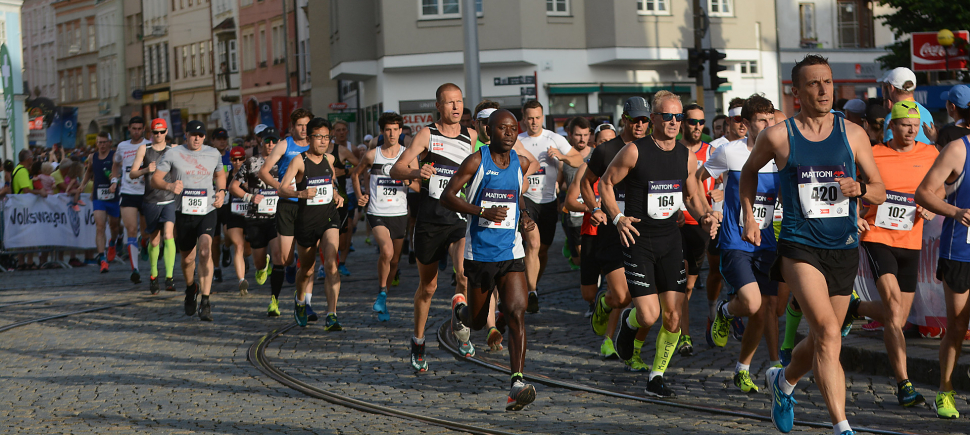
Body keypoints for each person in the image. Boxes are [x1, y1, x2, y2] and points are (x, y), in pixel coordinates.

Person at [742, 54, 885, 435]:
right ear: (797, 91)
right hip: (798, 246)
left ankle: (783, 381)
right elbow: (748, 172)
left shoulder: (852, 134)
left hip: (843, 247)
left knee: (828, 335)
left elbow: (881, 188)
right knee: (825, 328)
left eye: (827, 82)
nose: (823, 90)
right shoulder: (777, 135)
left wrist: (862, 189)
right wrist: (748, 214)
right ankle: (842, 426)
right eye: (813, 83)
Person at [601, 91, 719, 397]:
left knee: (673, 315)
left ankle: (656, 376)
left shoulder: (686, 156)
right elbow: (605, 183)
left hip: (670, 241)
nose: (674, 122)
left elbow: (693, 197)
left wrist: (706, 216)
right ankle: (629, 320)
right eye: (667, 116)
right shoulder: (634, 151)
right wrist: (616, 218)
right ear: (654, 118)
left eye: (678, 117)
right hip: (638, 241)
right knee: (649, 315)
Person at [442, 108, 537, 411]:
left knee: (516, 312)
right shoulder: (476, 160)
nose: (509, 134)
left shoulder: (519, 163)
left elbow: (516, 195)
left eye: (513, 129)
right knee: (479, 322)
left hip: (511, 251)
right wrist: (482, 212)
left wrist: (524, 216)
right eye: (502, 129)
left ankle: (517, 382)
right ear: (489, 131)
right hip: (480, 252)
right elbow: (448, 195)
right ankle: (461, 312)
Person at [848, 101, 939, 407]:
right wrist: (855, 217)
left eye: (915, 124)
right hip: (877, 236)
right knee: (892, 305)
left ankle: (856, 309)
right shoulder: (873, 153)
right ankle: (904, 383)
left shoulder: (930, 154)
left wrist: (931, 203)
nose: (911, 129)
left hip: (911, 242)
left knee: (897, 318)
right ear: (891, 126)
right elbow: (848, 184)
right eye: (904, 124)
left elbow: (941, 187)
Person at [390, 83, 478, 371]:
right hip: (430, 220)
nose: (456, 107)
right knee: (428, 288)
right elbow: (396, 168)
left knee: (464, 271)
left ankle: (459, 324)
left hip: (458, 219)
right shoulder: (428, 134)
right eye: (449, 103)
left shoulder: (472, 136)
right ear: (438, 106)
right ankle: (418, 340)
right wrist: (418, 170)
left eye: (459, 102)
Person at [702, 95, 782, 393]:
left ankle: (742, 369)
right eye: (762, 120)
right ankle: (723, 311)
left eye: (771, 120)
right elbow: (697, 180)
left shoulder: (779, 154)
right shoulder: (729, 152)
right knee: (751, 302)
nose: (768, 125)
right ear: (746, 124)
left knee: (764, 312)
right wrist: (707, 211)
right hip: (735, 240)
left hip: (766, 242)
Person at [584, 97, 651, 368]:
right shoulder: (605, 150)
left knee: (641, 300)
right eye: (634, 119)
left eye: (644, 119)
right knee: (621, 297)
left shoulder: (652, 148)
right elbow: (586, 184)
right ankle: (605, 301)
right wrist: (594, 209)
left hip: (642, 232)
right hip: (612, 230)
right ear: (624, 119)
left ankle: (626, 349)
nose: (639, 124)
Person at [915, 113, 970, 420]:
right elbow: (923, 192)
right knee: (959, 325)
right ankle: (945, 389)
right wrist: (955, 211)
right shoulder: (958, 150)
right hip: (960, 251)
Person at [153, 120, 228, 322]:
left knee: (205, 250)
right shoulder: (173, 153)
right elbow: (156, 179)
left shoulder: (213, 153)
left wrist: (221, 191)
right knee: (187, 259)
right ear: (185, 135)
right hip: (183, 211)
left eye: (201, 135)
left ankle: (205, 301)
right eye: (193, 135)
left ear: (205, 137)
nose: (197, 138)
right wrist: (169, 187)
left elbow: (221, 175)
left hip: (207, 209)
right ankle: (190, 288)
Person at [519, 100, 585, 313]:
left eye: (537, 117)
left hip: (547, 201)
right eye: (530, 118)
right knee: (533, 245)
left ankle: (533, 284)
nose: (534, 122)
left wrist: (562, 156)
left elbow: (578, 159)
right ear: (524, 119)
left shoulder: (554, 138)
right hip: (526, 199)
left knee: (543, 250)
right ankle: (530, 291)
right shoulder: (518, 140)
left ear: (542, 117)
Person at [278, 117, 345, 329]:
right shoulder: (299, 161)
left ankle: (332, 314)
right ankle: (300, 301)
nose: (324, 141)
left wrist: (336, 194)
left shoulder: (330, 160)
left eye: (327, 137)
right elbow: (281, 189)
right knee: (306, 270)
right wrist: (301, 193)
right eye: (319, 137)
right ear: (309, 138)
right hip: (306, 221)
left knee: (332, 263)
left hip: (328, 218)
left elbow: (331, 182)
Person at [353, 112, 415, 322]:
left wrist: (408, 181)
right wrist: (361, 195)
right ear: (382, 132)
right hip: (377, 212)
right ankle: (380, 291)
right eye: (388, 130)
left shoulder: (408, 155)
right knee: (386, 252)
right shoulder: (373, 155)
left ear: (400, 131)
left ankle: (384, 298)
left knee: (395, 261)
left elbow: (417, 185)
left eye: (395, 129)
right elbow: (356, 173)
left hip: (399, 213)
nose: (392, 134)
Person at [259, 109, 313, 305]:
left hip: (309, 206)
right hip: (287, 204)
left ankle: (306, 303)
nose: (304, 129)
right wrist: (280, 187)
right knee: (285, 258)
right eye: (300, 125)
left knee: (310, 261)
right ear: (292, 127)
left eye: (307, 125)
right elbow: (264, 172)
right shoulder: (284, 145)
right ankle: (292, 263)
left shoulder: (316, 145)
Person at [231, 127, 286, 316]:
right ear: (261, 141)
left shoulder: (285, 162)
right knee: (259, 262)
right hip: (255, 218)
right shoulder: (251, 163)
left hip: (277, 217)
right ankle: (263, 266)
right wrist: (249, 197)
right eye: (267, 140)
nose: (271, 144)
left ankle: (274, 301)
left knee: (280, 256)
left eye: (274, 141)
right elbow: (233, 187)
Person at [676, 103, 715, 357]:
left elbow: (726, 181)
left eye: (701, 122)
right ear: (682, 123)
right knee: (679, 284)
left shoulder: (712, 152)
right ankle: (682, 335)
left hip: (700, 224)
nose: (697, 127)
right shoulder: (672, 149)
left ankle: (677, 321)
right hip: (674, 225)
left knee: (689, 287)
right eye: (692, 122)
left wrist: (718, 196)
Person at [129, 118, 177, 293]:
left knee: (169, 234)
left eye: (162, 132)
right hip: (151, 200)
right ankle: (154, 274)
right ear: (150, 133)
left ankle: (170, 277)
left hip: (169, 198)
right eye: (155, 132)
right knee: (155, 240)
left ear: (166, 132)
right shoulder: (144, 149)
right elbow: (132, 174)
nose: (158, 135)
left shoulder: (173, 149)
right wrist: (145, 170)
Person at [111, 116, 149, 284]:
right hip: (128, 192)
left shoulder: (149, 145)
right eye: (134, 128)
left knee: (146, 230)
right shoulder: (122, 146)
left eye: (139, 128)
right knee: (131, 229)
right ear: (129, 129)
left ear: (144, 129)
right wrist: (114, 180)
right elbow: (115, 163)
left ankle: (145, 241)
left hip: (146, 192)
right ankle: (135, 269)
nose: (136, 131)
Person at [78, 134, 121, 274]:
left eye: (104, 142)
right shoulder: (92, 157)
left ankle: (113, 242)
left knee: (114, 225)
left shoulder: (115, 156)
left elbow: (121, 172)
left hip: (113, 195)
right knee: (100, 226)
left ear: (109, 143)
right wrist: (82, 185)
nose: (102, 145)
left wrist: (116, 177)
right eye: (99, 143)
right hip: (98, 196)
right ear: (96, 144)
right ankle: (103, 259)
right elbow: (89, 171)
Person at [558, 116, 592, 271]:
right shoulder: (563, 159)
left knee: (591, 255)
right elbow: (558, 184)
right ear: (570, 135)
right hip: (572, 213)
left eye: (585, 135)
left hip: (593, 211)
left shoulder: (596, 154)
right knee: (578, 259)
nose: (582, 138)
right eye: (578, 135)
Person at [881, 67, 935, 145]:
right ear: (914, 86)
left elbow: (890, 150)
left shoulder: (893, 117)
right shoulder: (927, 113)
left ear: (892, 88)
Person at [223, 146, 251, 294]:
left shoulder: (251, 175)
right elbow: (220, 191)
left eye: (240, 159)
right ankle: (241, 281)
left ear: (245, 159)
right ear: (231, 160)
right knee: (238, 245)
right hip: (232, 215)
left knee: (247, 249)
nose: (238, 162)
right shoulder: (227, 175)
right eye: (234, 159)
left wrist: (248, 186)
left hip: (249, 215)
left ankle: (244, 260)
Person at [210, 127, 233, 282]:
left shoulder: (232, 157)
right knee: (215, 239)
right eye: (219, 139)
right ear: (213, 141)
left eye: (224, 139)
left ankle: (226, 249)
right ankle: (216, 268)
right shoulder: (208, 157)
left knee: (230, 234)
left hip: (229, 201)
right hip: (212, 202)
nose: (222, 141)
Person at [933, 84, 970, 149]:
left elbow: (938, 157)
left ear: (952, 107)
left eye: (947, 101)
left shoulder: (946, 133)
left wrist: (935, 139)